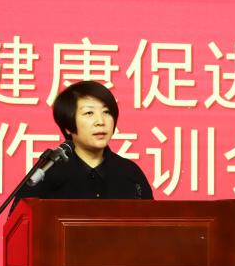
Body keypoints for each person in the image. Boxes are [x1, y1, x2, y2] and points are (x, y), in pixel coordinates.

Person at [12, 81, 153, 207]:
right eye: (89, 113)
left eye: (106, 112)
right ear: (68, 125)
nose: (101, 121)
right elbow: (19, 223)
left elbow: (153, 223)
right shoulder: (46, 173)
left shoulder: (130, 173)